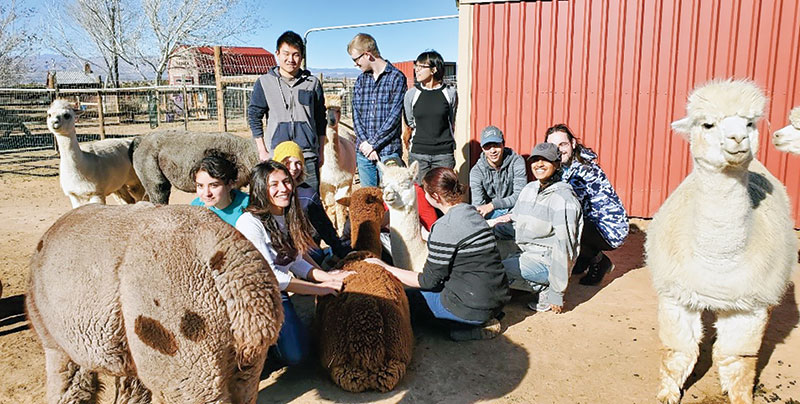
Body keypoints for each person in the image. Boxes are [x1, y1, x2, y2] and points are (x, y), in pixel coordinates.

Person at [366, 167, 510, 341]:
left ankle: (465, 330)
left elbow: (427, 281)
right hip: (497, 298)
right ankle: (476, 319)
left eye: (425, 193)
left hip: (471, 306)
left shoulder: (445, 226)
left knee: (404, 302)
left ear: (435, 196)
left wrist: (384, 267)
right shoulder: (471, 212)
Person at [235, 160, 351, 367]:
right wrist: (320, 289)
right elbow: (272, 277)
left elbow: (295, 261)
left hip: (278, 288)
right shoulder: (250, 223)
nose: (283, 189)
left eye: (286, 182)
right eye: (274, 184)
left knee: (301, 353)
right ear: (261, 188)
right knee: (295, 356)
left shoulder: (287, 215)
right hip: (257, 292)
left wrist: (329, 276)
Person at [490, 143, 583, 313]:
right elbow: (517, 225)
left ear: (557, 164)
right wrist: (488, 231)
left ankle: (546, 288)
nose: (539, 164)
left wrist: (557, 292)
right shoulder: (529, 189)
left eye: (545, 160)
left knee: (492, 270)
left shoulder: (563, 199)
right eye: (535, 160)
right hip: (524, 250)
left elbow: (565, 247)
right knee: (479, 256)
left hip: (545, 261)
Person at [545, 124, 629, 285]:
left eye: (562, 144)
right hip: (594, 222)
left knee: (563, 222)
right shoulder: (567, 167)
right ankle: (583, 259)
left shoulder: (582, 172)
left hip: (608, 230)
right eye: (552, 146)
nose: (558, 150)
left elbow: (569, 210)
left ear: (573, 144)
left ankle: (599, 260)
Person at [248, 30, 326, 192]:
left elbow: (320, 119)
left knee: (310, 201)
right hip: (277, 154)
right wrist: (263, 151)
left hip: (307, 155)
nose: (291, 59)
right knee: (280, 199)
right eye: (286, 54)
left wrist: (321, 151)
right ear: (277, 54)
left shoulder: (312, 83)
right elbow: (254, 116)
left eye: (296, 55)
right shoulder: (264, 83)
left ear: (302, 57)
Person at [272, 140, 351, 265]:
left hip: (305, 249)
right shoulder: (270, 193)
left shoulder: (307, 195)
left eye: (298, 163)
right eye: (287, 163)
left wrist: (341, 250)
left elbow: (325, 227)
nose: (293, 168)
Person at [347, 33, 407, 187]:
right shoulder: (361, 80)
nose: (355, 64)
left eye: (356, 59)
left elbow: (394, 117)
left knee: (393, 199)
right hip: (364, 152)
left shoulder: (397, 78)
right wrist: (366, 145)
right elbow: (356, 115)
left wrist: (373, 144)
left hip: (388, 151)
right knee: (369, 202)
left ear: (367, 55)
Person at [403, 50, 458, 181]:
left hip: (444, 155)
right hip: (418, 154)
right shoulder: (411, 95)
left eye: (422, 67)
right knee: (420, 194)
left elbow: (451, 119)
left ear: (433, 70)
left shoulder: (450, 93)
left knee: (443, 194)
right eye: (416, 66)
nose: (417, 70)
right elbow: (410, 122)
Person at [469, 125, 527, 219]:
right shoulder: (476, 172)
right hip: (491, 213)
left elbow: (520, 195)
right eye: (487, 146)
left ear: (503, 144)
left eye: (496, 145)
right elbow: (478, 204)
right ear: (482, 148)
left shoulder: (517, 161)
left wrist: (492, 205)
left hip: (514, 209)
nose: (493, 151)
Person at [190, 150, 249, 226]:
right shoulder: (196, 207)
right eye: (200, 186)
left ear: (230, 184)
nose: (206, 193)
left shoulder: (249, 207)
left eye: (214, 185)